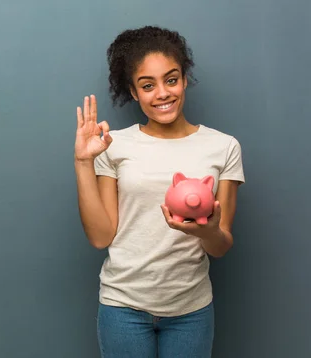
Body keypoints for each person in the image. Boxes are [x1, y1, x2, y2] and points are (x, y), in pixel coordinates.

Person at [73, 25, 245, 357]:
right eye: (147, 85)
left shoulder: (224, 147)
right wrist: (83, 161)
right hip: (123, 307)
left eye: (171, 79)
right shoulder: (113, 145)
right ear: (134, 92)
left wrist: (208, 230)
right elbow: (100, 236)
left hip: (190, 310)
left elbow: (220, 246)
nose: (162, 93)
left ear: (184, 79)